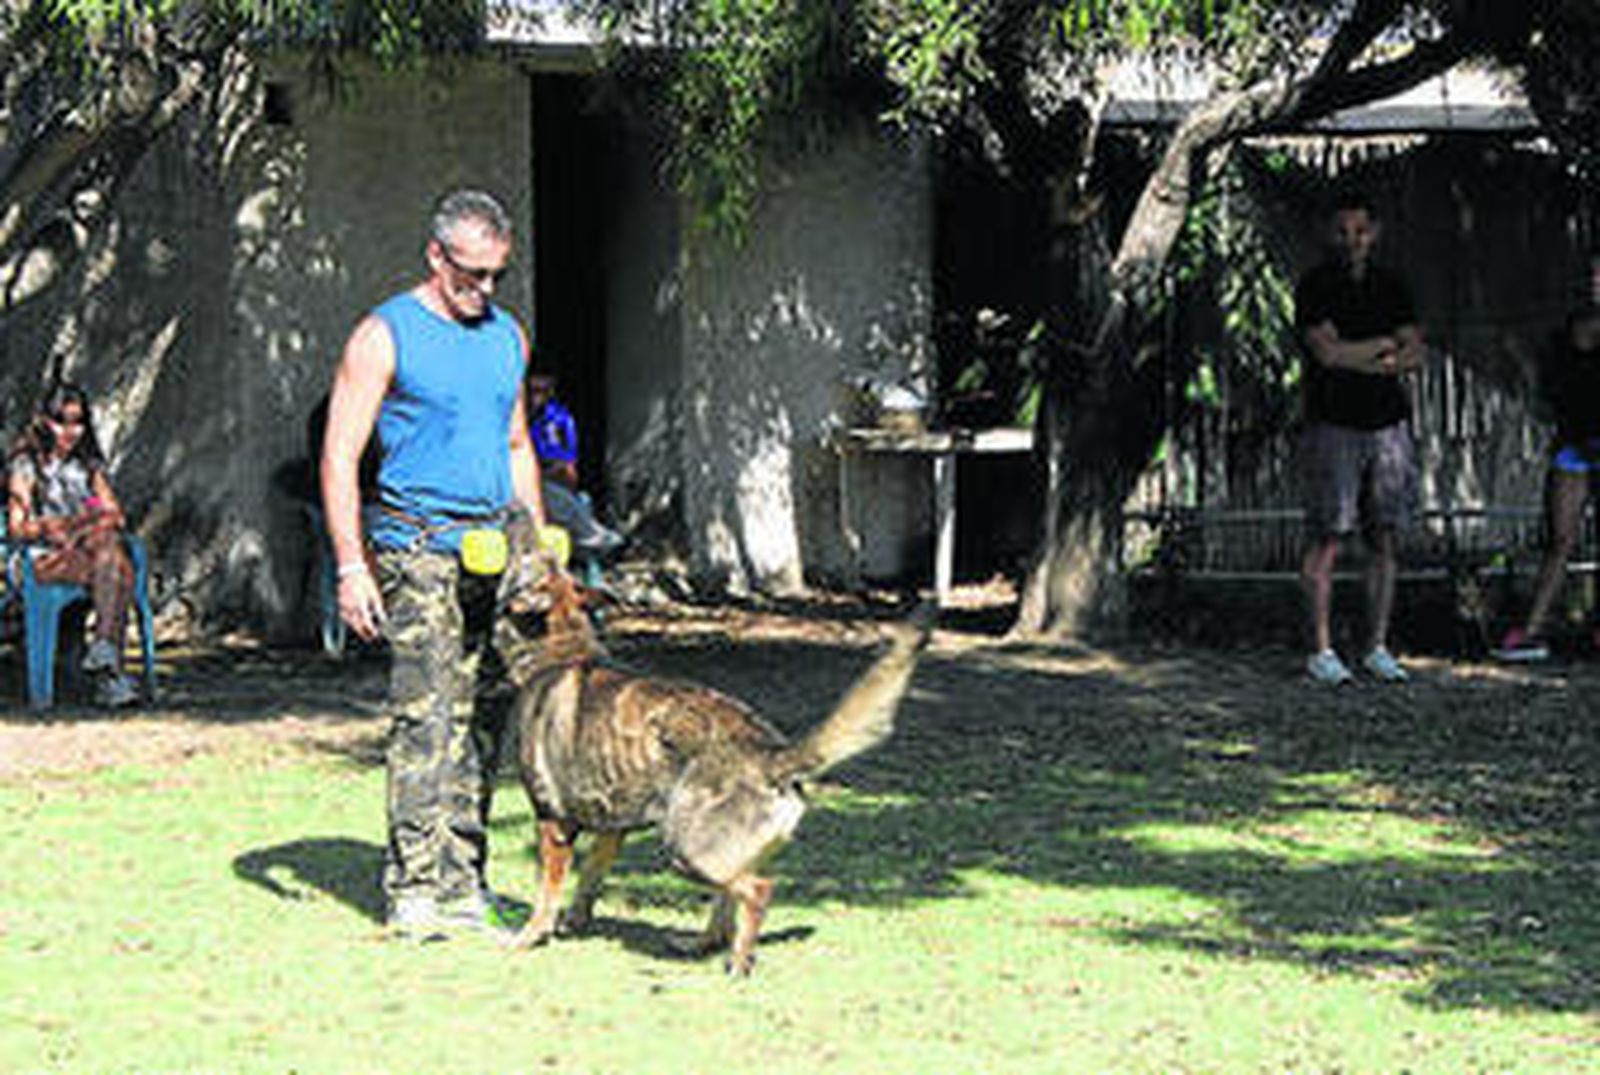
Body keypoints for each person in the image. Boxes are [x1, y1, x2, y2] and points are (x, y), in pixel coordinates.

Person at [320, 189, 549, 940]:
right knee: (427, 717)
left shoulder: (506, 337)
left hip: (494, 550)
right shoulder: (383, 335)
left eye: (496, 276)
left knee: (486, 719)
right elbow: (341, 455)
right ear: (436, 256)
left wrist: (537, 552)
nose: (483, 290)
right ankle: (414, 887)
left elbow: (519, 446)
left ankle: (464, 882)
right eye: (471, 274)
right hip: (416, 549)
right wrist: (353, 565)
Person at [1295, 191, 1426, 685]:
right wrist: (1383, 346)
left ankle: (1376, 645)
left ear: (1375, 234)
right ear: (1331, 235)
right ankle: (1322, 649)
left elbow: (1416, 354)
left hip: (1388, 426)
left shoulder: (1393, 286)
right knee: (1327, 537)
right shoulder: (1316, 287)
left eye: (1361, 231)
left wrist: (1363, 351)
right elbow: (1327, 354)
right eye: (1343, 231)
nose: (1352, 240)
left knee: (1385, 537)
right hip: (1334, 424)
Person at [5, 382, 140, 707]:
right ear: (44, 421)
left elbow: (115, 514)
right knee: (121, 572)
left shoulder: (87, 465)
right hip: (39, 557)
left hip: (87, 552)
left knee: (109, 549)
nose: (71, 430)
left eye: (78, 421)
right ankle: (109, 668)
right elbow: (18, 527)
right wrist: (61, 526)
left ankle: (105, 657)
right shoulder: (26, 465)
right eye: (62, 420)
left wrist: (81, 531)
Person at [1493, 302, 1600, 662]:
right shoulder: (1559, 344)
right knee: (1560, 539)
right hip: (1573, 445)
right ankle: (1532, 630)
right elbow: (1549, 396)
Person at [526, 373, 624, 559]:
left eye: (542, 391)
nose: (535, 398)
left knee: (568, 500)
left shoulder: (557, 420)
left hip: (548, 481)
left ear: (551, 391)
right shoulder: (514, 414)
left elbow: (566, 466)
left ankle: (592, 536)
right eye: (531, 391)